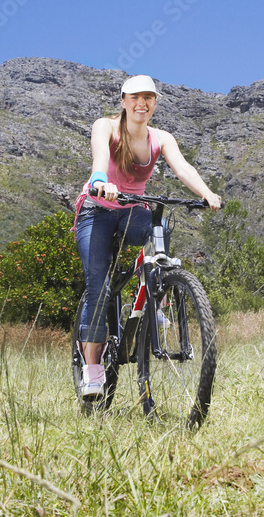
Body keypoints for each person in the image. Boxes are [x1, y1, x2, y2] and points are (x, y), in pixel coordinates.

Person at [73, 74, 222, 399]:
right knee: (98, 285)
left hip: (130, 210)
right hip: (96, 210)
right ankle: (93, 369)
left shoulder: (161, 138)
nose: (142, 103)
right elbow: (100, 158)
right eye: (135, 97)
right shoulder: (106, 126)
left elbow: (183, 168)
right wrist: (101, 181)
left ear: (154, 103)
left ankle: (156, 298)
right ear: (124, 101)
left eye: (149, 98)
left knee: (159, 226)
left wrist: (207, 193)